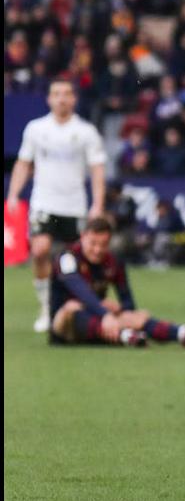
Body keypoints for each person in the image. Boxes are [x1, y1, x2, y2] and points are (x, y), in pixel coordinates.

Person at [7, 80, 107, 333]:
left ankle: (77, 307)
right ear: (49, 99)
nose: (61, 99)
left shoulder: (86, 131)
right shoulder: (36, 129)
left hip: (74, 206)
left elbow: (97, 170)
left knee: (75, 261)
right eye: (56, 94)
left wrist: (98, 203)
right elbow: (23, 163)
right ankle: (45, 306)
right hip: (44, 202)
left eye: (67, 94)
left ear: (74, 99)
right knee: (40, 250)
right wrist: (13, 195)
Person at [49, 218, 185, 348]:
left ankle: (182, 333)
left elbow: (128, 303)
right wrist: (104, 311)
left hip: (102, 323)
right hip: (65, 329)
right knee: (71, 308)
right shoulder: (67, 257)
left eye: (103, 244)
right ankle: (126, 336)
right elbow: (78, 287)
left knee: (133, 316)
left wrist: (119, 309)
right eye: (93, 243)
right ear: (82, 236)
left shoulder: (113, 262)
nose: (98, 250)